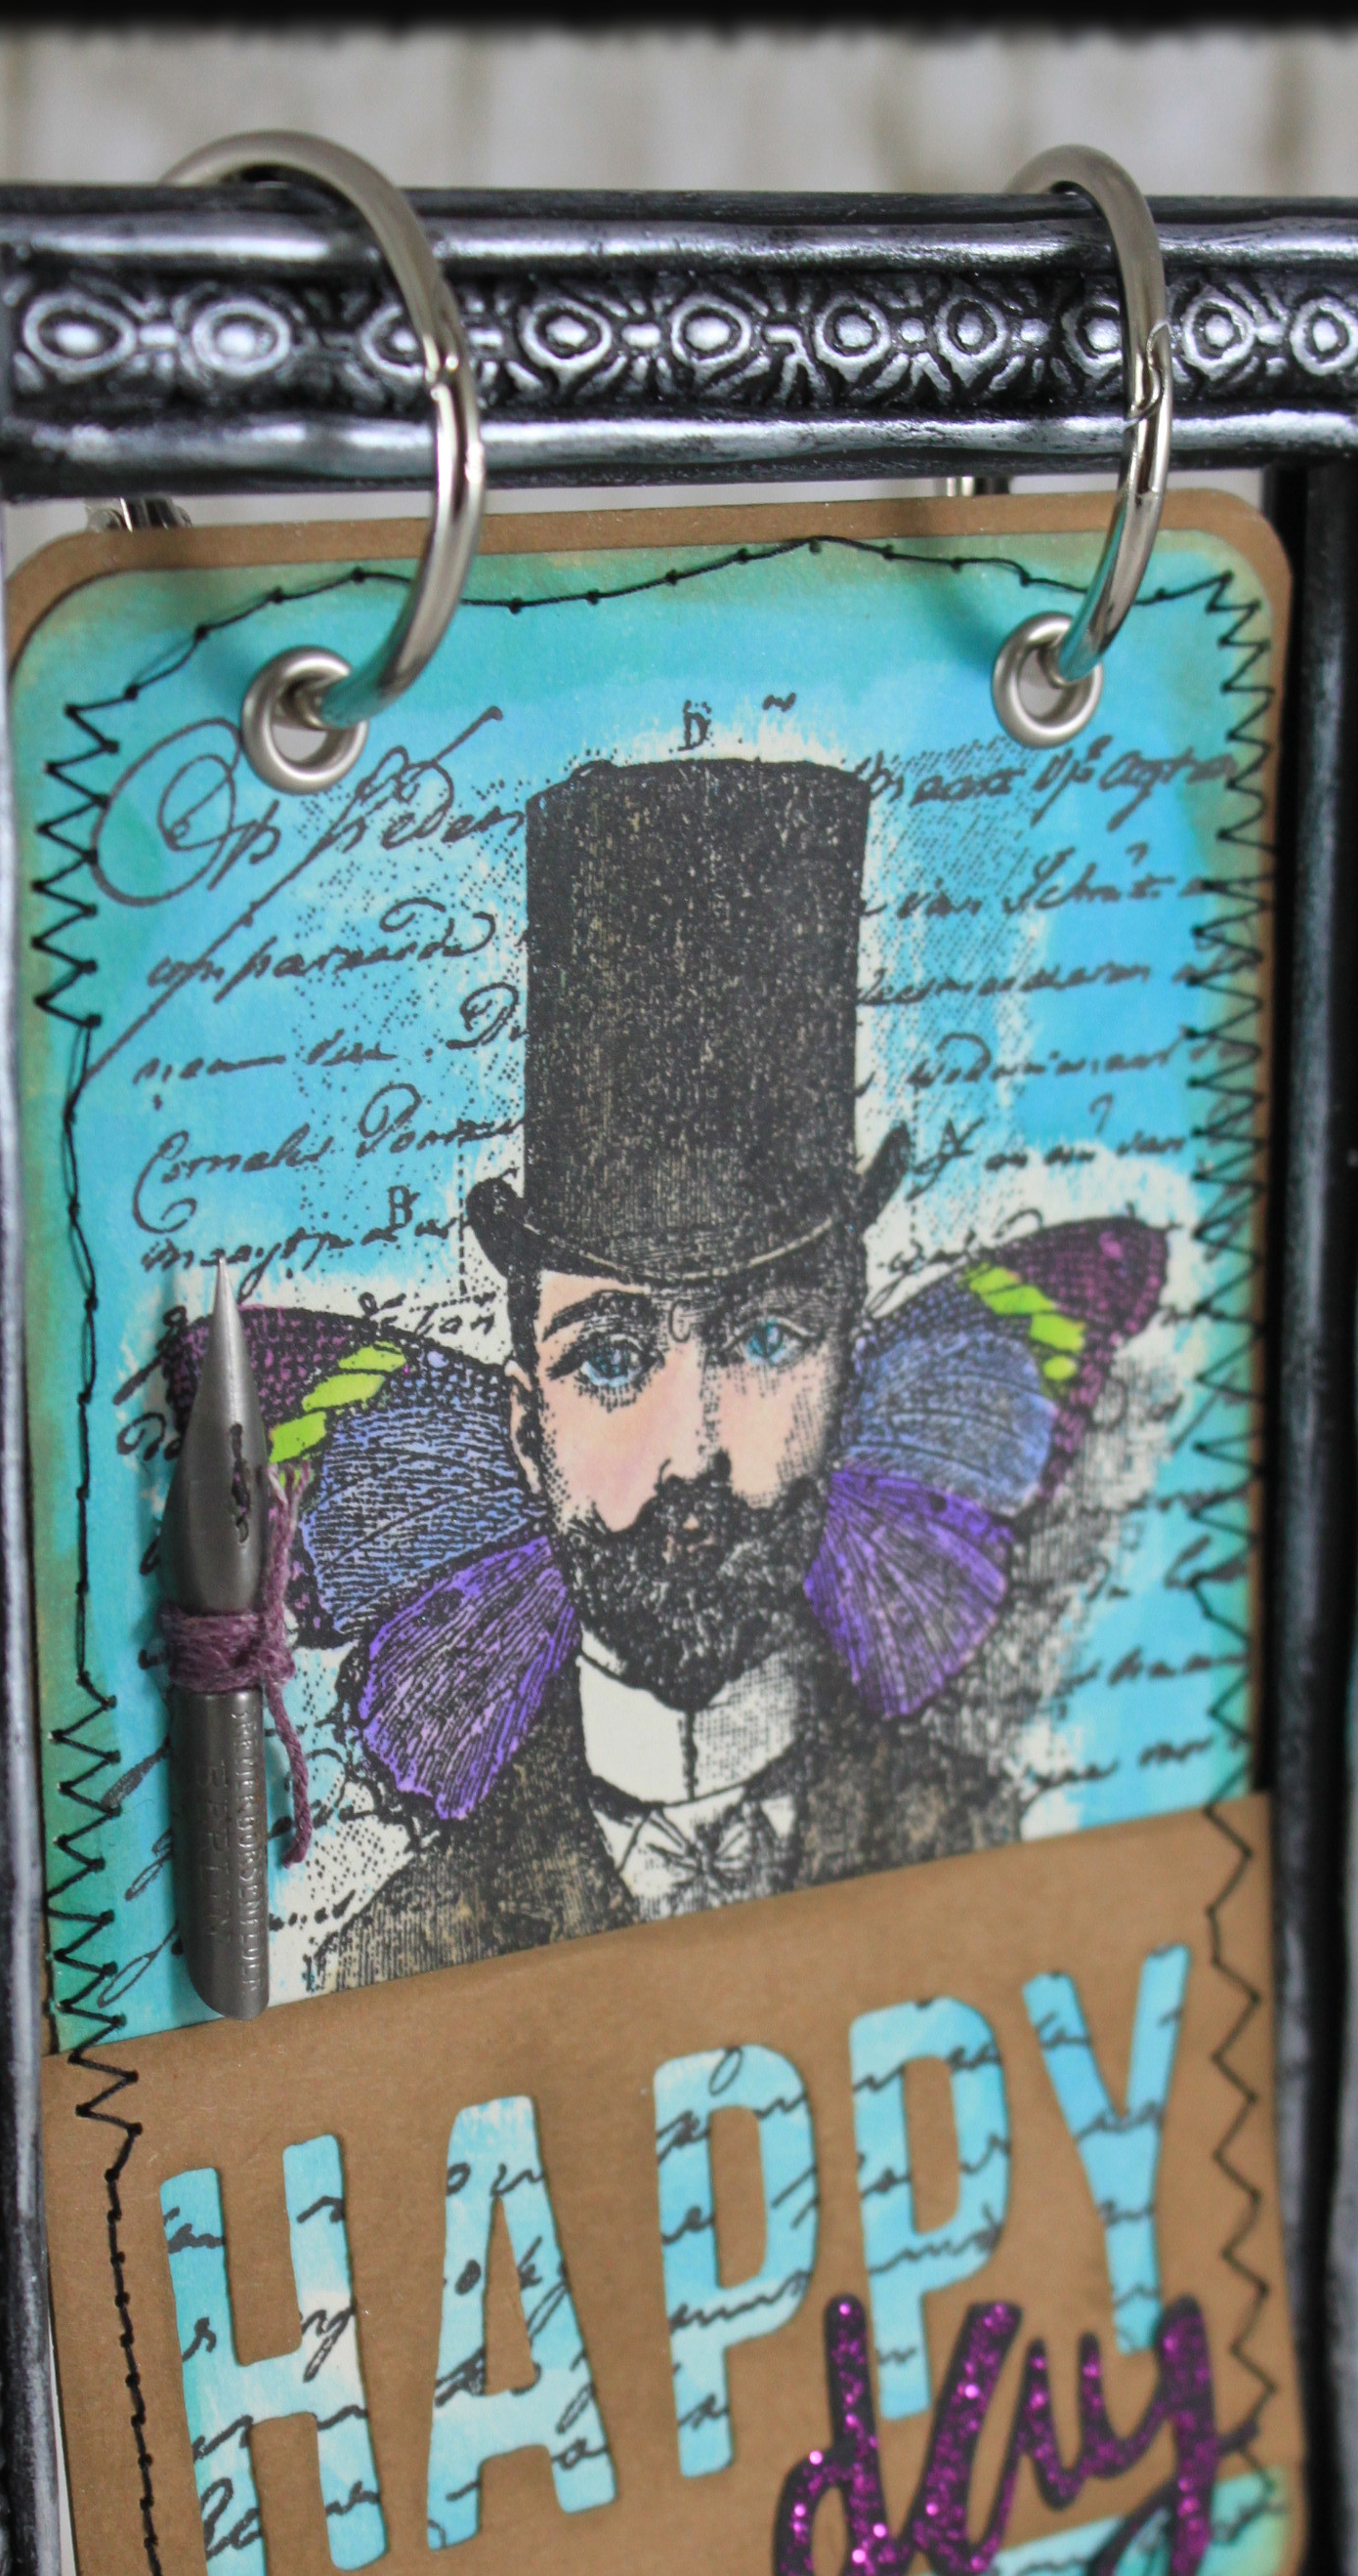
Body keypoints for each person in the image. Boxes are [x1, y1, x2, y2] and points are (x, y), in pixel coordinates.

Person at [320, 758, 997, 1989]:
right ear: (526, 1430)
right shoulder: (397, 1957)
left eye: (765, 1341)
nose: (694, 1452)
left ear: (847, 1376)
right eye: (613, 1359)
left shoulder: (984, 1848)